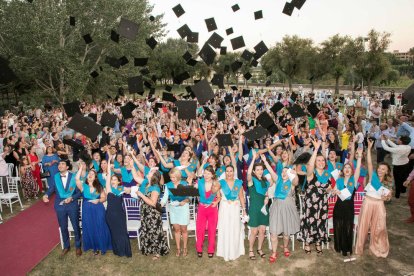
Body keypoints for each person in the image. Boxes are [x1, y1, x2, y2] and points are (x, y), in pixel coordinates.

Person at [355, 140, 392, 258]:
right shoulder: (373, 176)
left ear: (387, 171)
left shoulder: (389, 182)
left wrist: (386, 198)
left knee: (380, 226)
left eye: (383, 169)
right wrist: (369, 149)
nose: (381, 170)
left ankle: (377, 247)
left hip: (379, 204)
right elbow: (370, 164)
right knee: (363, 225)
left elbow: (388, 196)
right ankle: (359, 247)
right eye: (380, 168)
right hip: (368, 202)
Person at [297, 139, 332, 255]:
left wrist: (330, 190)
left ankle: (318, 242)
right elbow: (310, 165)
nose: (321, 162)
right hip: (311, 203)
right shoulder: (311, 173)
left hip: (322, 203)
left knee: (320, 222)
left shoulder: (327, 174)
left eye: (323, 160)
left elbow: (329, 188)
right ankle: (307, 243)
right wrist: (316, 150)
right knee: (309, 222)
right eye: (318, 160)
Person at [43, 160, 82, 256]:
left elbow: (79, 192)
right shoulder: (55, 177)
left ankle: (78, 246)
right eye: (59, 164)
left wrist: (72, 198)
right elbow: (51, 188)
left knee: (75, 226)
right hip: (60, 205)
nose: (60, 165)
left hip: (72, 205)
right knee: (63, 226)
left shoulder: (74, 177)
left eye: (62, 164)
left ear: (67, 167)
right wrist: (46, 195)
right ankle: (66, 246)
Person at [75, 163, 112, 255]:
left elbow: (104, 198)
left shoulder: (99, 187)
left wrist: (99, 200)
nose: (90, 174)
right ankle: (93, 246)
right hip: (87, 210)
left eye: (92, 174)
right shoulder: (84, 186)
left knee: (100, 225)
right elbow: (76, 179)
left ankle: (101, 245)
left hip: (98, 208)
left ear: (95, 177)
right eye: (89, 173)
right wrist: (81, 168)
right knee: (90, 226)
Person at [332, 148, 362, 257]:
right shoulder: (339, 180)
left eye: (349, 167)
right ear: (343, 171)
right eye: (345, 168)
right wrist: (334, 191)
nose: (347, 169)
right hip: (339, 207)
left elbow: (358, 167)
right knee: (339, 226)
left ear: (351, 170)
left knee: (348, 226)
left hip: (349, 207)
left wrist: (359, 157)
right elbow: (333, 192)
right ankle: (339, 246)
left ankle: (346, 248)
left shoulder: (353, 179)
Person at [268, 165, 300, 263]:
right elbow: (271, 172)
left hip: (288, 208)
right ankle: (274, 252)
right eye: (282, 171)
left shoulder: (292, 183)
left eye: (286, 171)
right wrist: (265, 161)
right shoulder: (278, 180)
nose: (284, 173)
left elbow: (296, 181)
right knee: (273, 232)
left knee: (286, 231)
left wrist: (295, 174)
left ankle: (285, 247)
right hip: (276, 207)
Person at [136, 170, 169, 260]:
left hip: (152, 213)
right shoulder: (147, 184)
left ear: (153, 176)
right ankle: (148, 249)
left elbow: (153, 203)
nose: (148, 172)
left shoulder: (155, 188)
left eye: (150, 172)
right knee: (146, 230)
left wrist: (142, 195)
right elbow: (135, 177)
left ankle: (158, 252)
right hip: (145, 211)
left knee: (155, 231)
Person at [246, 151, 273, 260]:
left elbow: (267, 192)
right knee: (254, 231)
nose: (260, 171)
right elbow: (248, 174)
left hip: (264, 208)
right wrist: (253, 159)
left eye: (261, 169)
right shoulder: (251, 180)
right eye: (257, 169)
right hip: (254, 208)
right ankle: (251, 250)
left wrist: (267, 197)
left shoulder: (266, 181)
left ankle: (259, 249)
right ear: (254, 171)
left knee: (262, 230)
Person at [217, 163, 246, 261]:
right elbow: (217, 195)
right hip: (224, 207)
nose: (229, 173)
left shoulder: (238, 183)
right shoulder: (220, 182)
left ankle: (235, 251)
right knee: (225, 227)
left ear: (234, 172)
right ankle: (224, 251)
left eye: (231, 171)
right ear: (225, 172)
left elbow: (241, 196)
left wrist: (244, 210)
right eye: (227, 171)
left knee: (235, 228)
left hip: (235, 207)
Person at [105, 157, 132, 257]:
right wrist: (109, 162)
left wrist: (128, 190)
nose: (112, 181)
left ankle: (125, 250)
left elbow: (130, 190)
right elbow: (108, 174)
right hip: (110, 215)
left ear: (118, 181)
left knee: (122, 232)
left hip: (120, 214)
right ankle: (118, 251)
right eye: (112, 179)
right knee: (114, 233)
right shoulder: (109, 189)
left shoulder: (121, 188)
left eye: (115, 179)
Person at [160, 168, 190, 257]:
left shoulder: (184, 184)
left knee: (184, 229)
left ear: (178, 176)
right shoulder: (168, 185)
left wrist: (184, 201)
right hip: (173, 209)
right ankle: (178, 248)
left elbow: (189, 197)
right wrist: (160, 204)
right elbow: (165, 197)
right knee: (176, 230)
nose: (172, 179)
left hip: (183, 208)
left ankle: (185, 248)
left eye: (174, 177)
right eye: (171, 177)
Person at [195, 165, 221, 258]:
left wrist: (215, 202)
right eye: (205, 173)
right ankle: (199, 248)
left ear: (212, 175)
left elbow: (219, 196)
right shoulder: (200, 182)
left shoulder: (216, 184)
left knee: (212, 230)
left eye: (208, 173)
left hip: (212, 209)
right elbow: (193, 191)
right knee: (200, 229)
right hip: (201, 208)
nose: (206, 175)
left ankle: (211, 249)